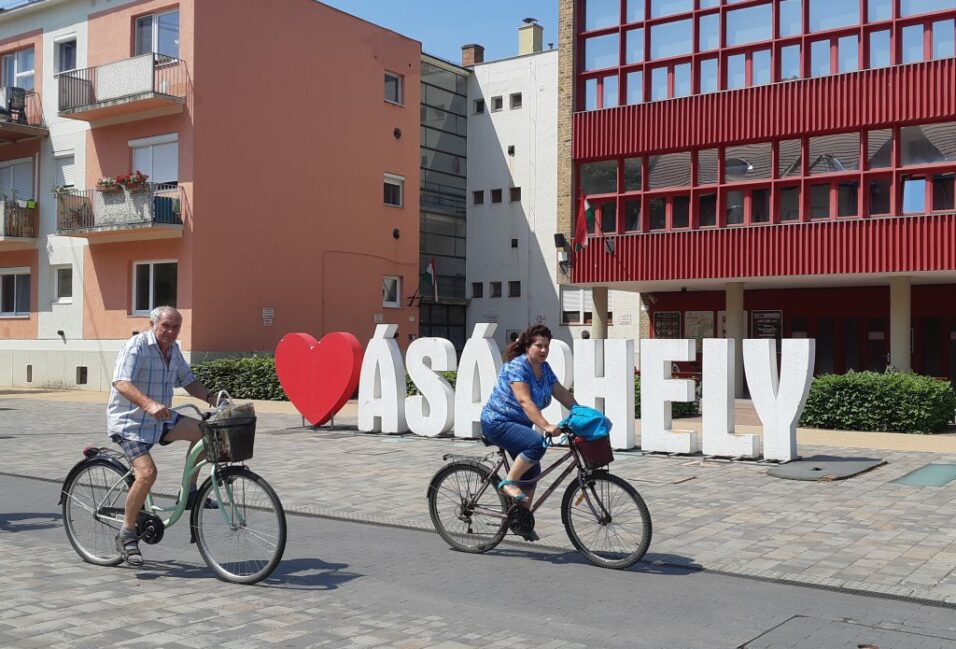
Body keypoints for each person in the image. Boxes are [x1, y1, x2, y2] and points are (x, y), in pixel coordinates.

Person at [107, 305, 219, 566]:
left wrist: (214, 399)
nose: (170, 331)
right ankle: (127, 532)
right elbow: (121, 382)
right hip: (130, 423)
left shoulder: (173, 350)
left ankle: (190, 493)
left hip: (161, 420)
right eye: (165, 325)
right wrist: (148, 405)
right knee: (147, 473)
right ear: (152, 324)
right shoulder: (137, 346)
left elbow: (188, 381)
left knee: (205, 433)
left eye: (175, 326)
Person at [480, 325, 577, 537]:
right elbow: (524, 401)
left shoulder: (544, 368)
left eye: (546, 346)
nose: (543, 350)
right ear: (528, 346)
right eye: (539, 346)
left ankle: (520, 520)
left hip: (518, 425)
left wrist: (580, 411)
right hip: (497, 422)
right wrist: (546, 425)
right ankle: (508, 483)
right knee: (536, 443)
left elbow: (560, 392)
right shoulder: (517, 367)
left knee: (532, 471)